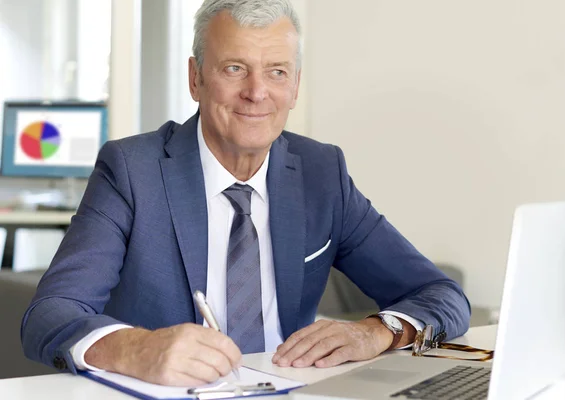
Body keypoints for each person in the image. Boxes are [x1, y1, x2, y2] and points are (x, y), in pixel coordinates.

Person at [21, 0, 470, 387]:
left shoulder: (321, 173)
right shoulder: (132, 170)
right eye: (234, 68)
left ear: (294, 86)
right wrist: (136, 348)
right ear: (196, 78)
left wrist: (376, 331)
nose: (257, 92)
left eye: (276, 72)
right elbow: (50, 314)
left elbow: (439, 293)